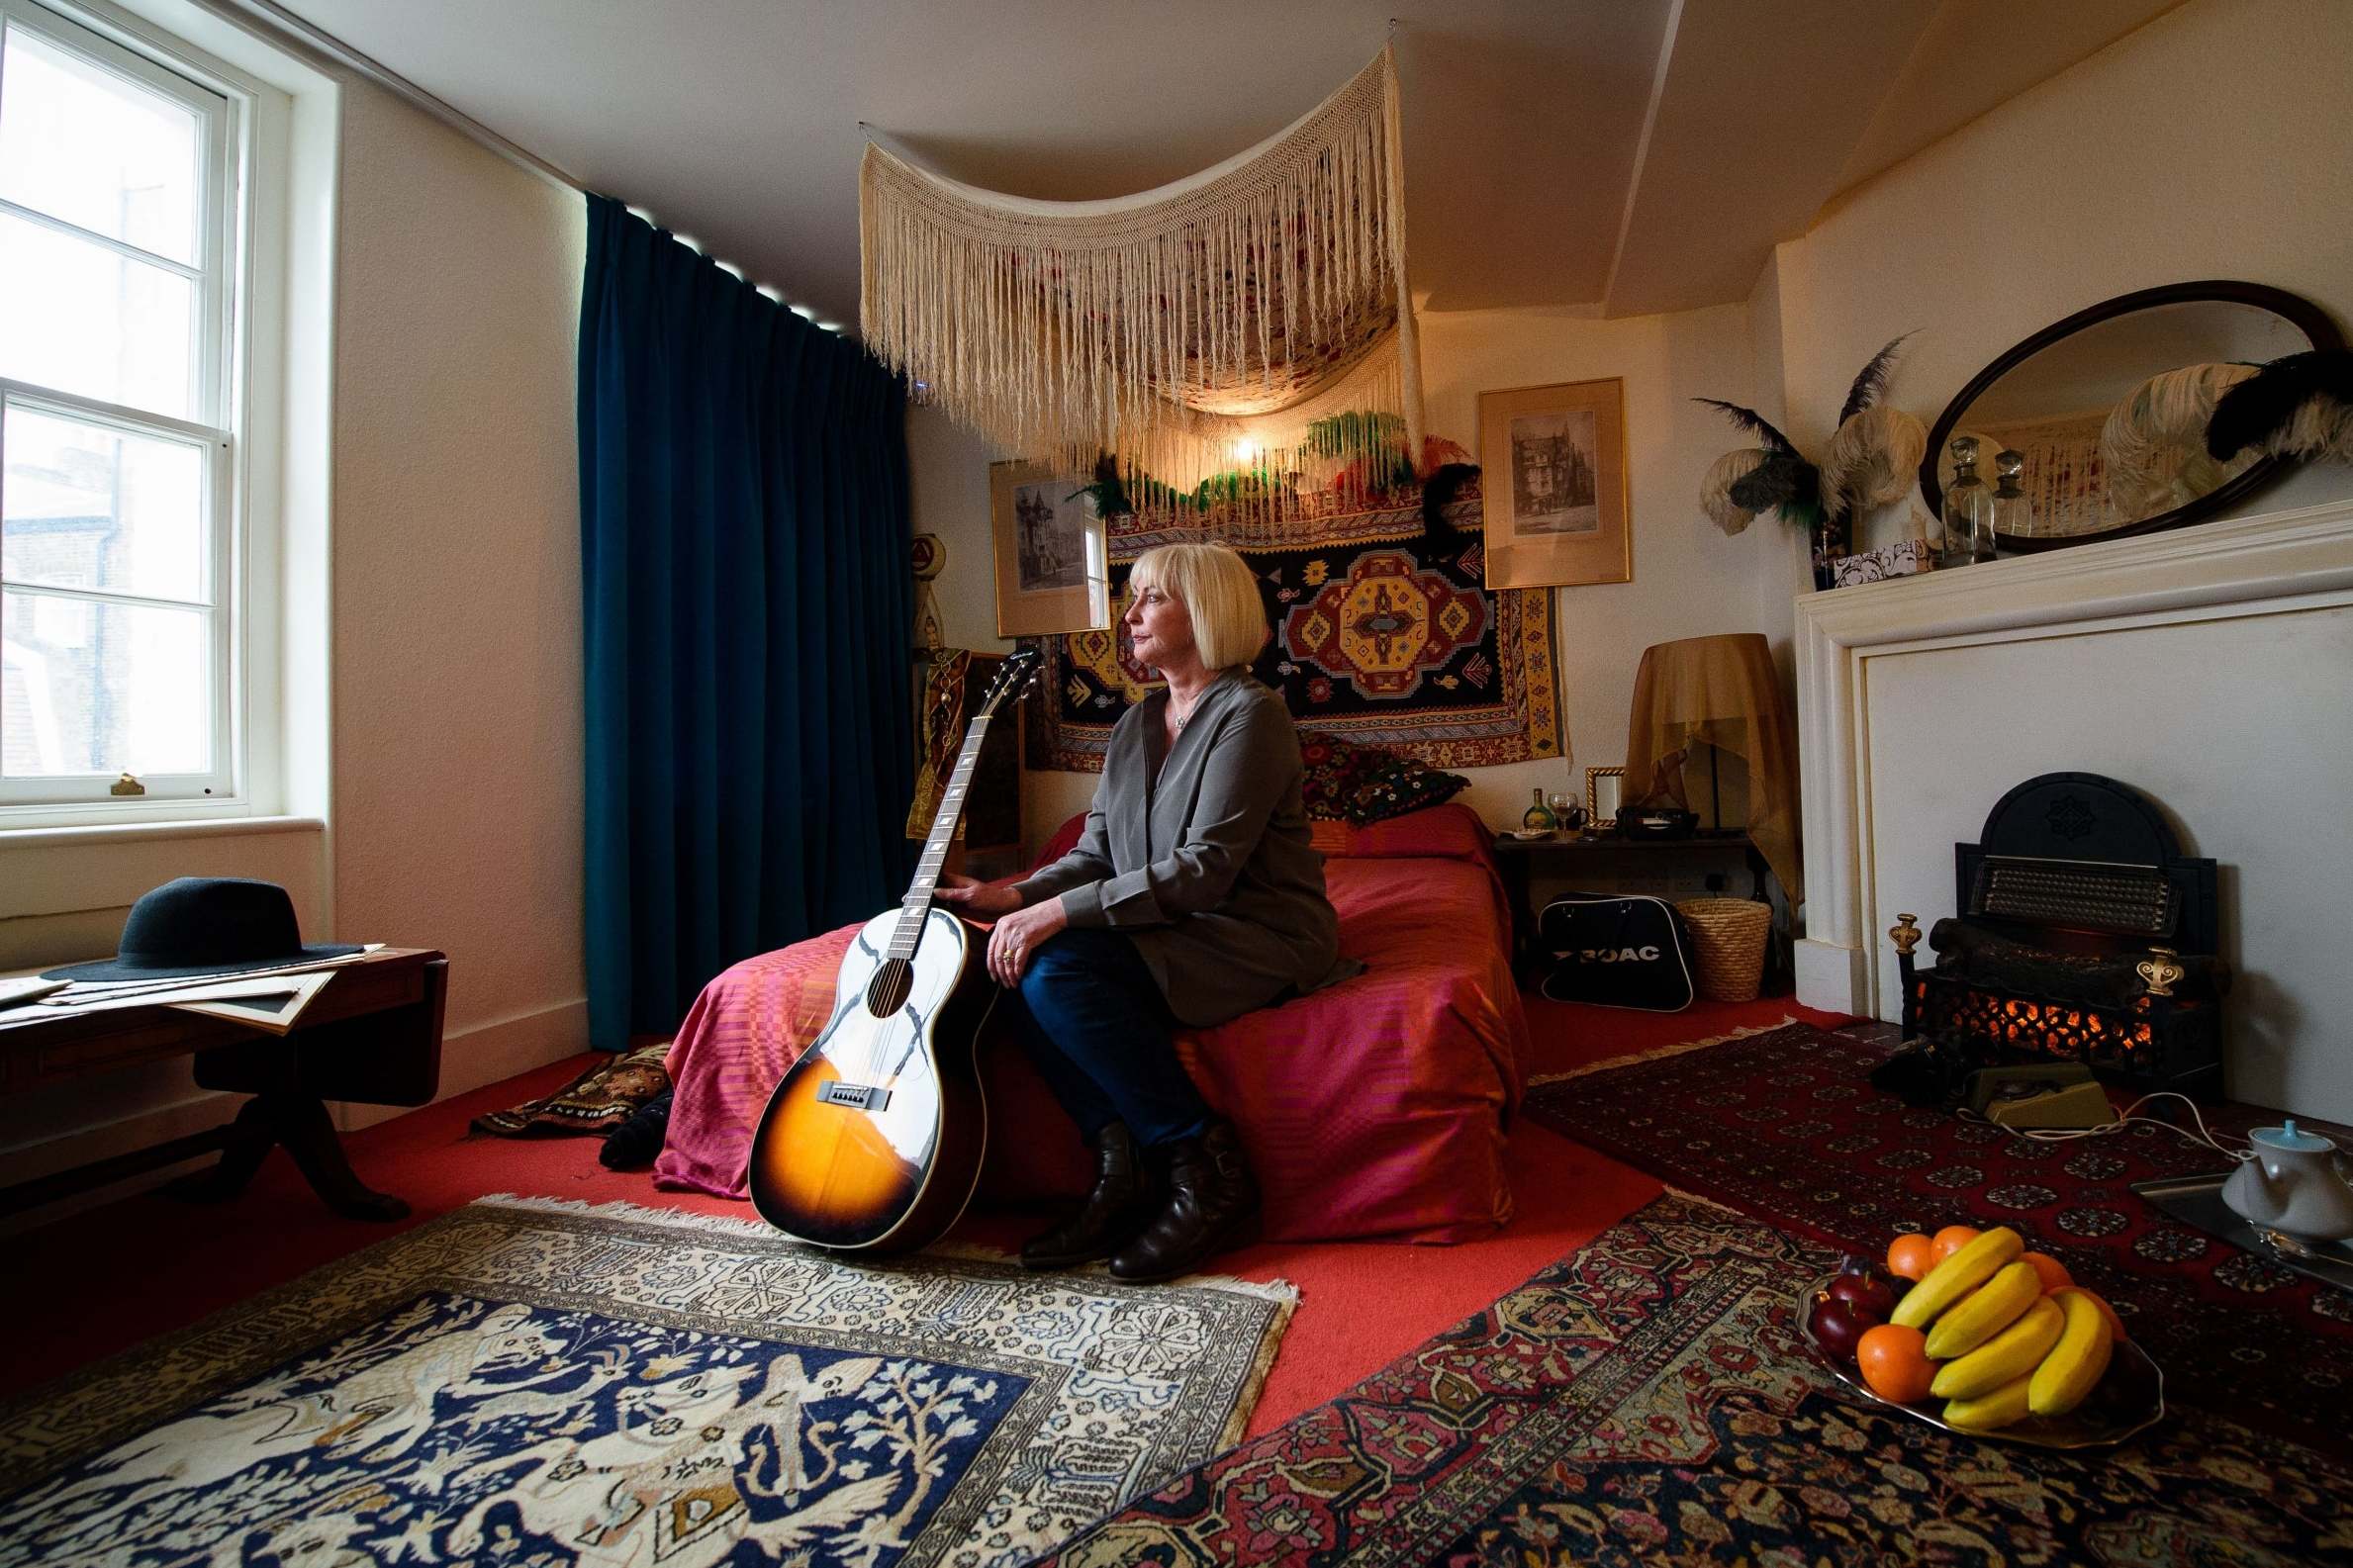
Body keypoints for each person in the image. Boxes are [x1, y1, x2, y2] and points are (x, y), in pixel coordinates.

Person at [938, 542, 1351, 1282]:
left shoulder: (1251, 716)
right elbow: (1097, 851)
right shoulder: (1136, 725)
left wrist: (1059, 915)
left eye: (1150, 598)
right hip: (1172, 925)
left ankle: (1204, 1164)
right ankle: (1119, 1168)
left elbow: (1202, 872)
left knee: (1058, 970)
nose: (1129, 617)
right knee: (1011, 961)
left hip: (1251, 932)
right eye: (1134, 600)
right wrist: (1016, 896)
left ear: (1206, 610)